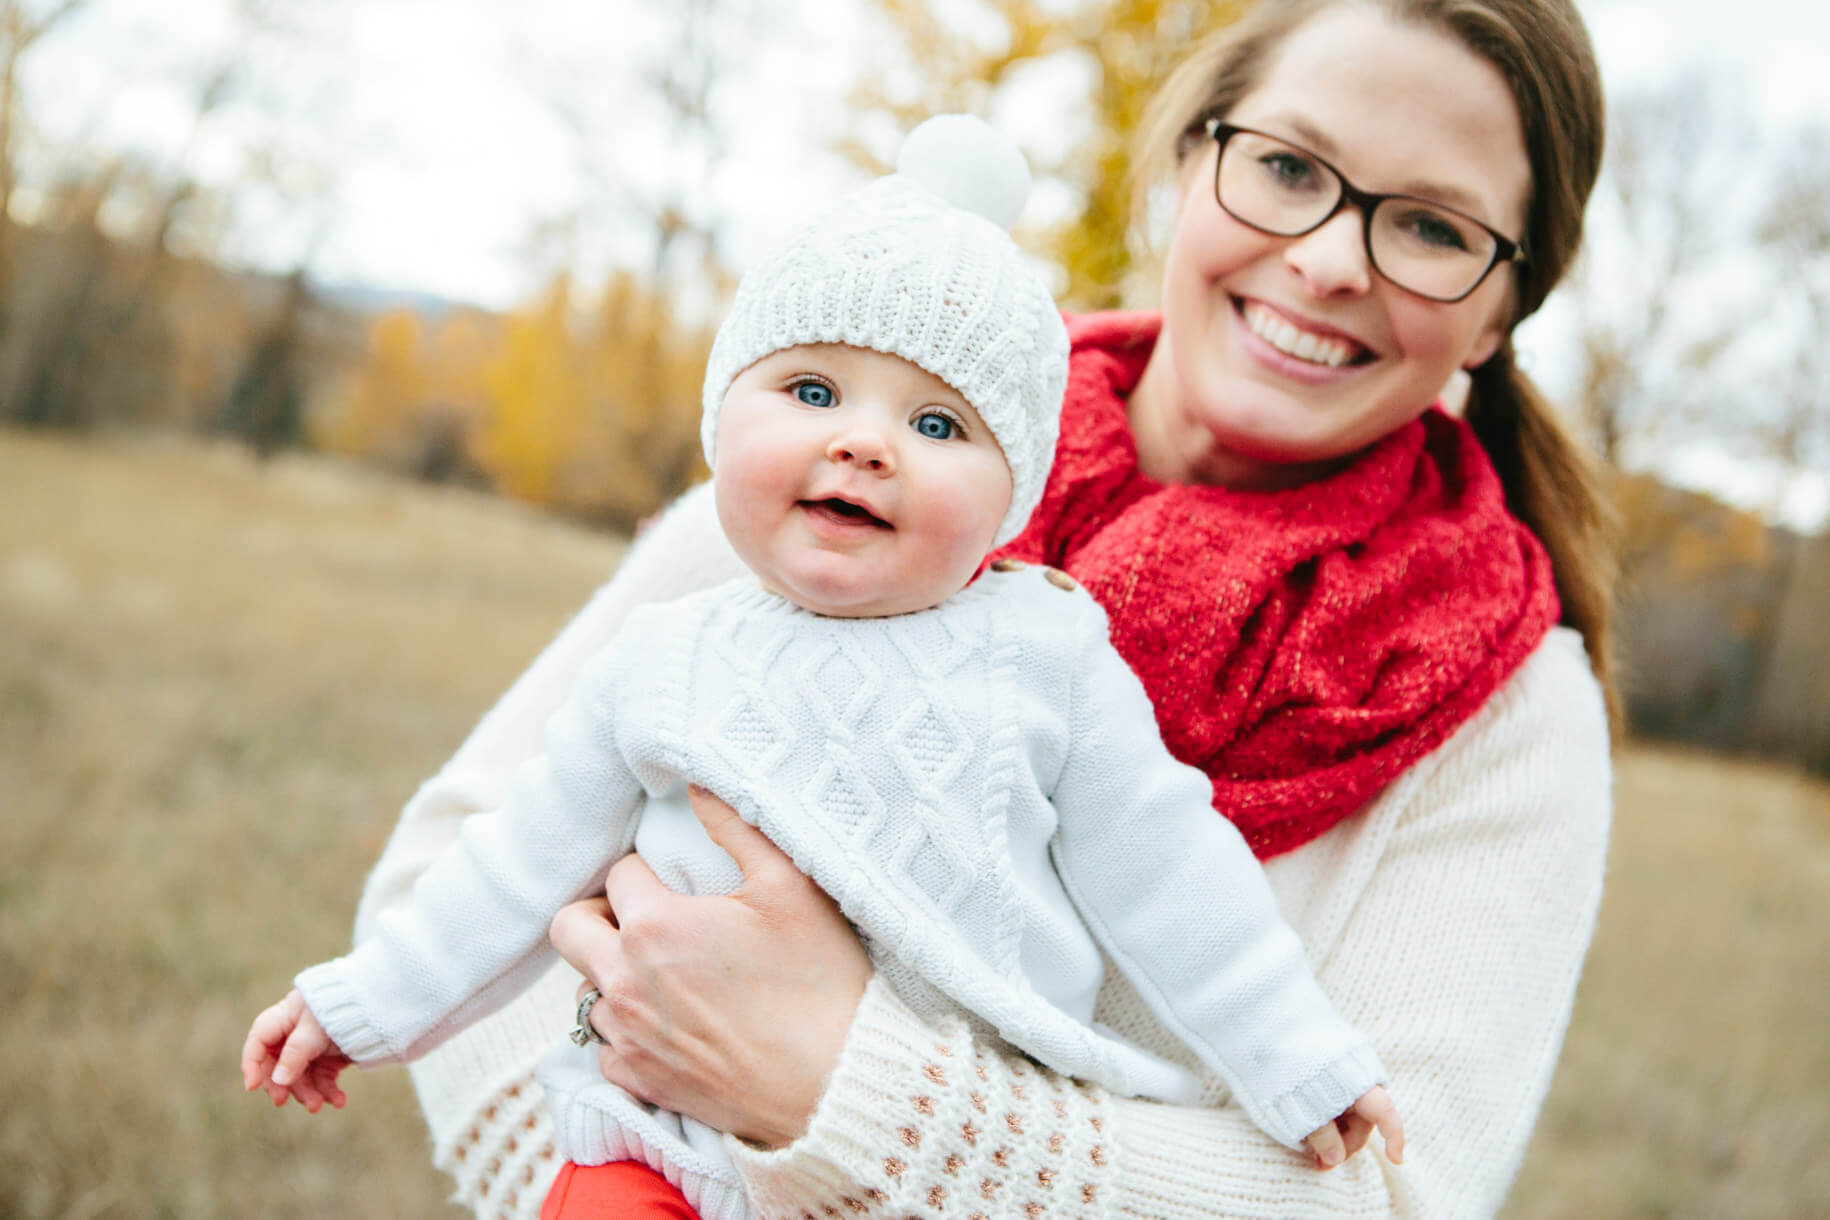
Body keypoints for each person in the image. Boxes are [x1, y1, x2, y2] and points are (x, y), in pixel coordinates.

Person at [342, 0, 1619, 1216]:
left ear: (1505, 310)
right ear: (1189, 164)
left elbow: (1391, 1196)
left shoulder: (1510, 707)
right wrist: (623, 1171)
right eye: (1289, 168)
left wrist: (840, 1087)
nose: (1332, 258)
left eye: (1436, 230)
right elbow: (451, 870)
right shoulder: (869, 434)